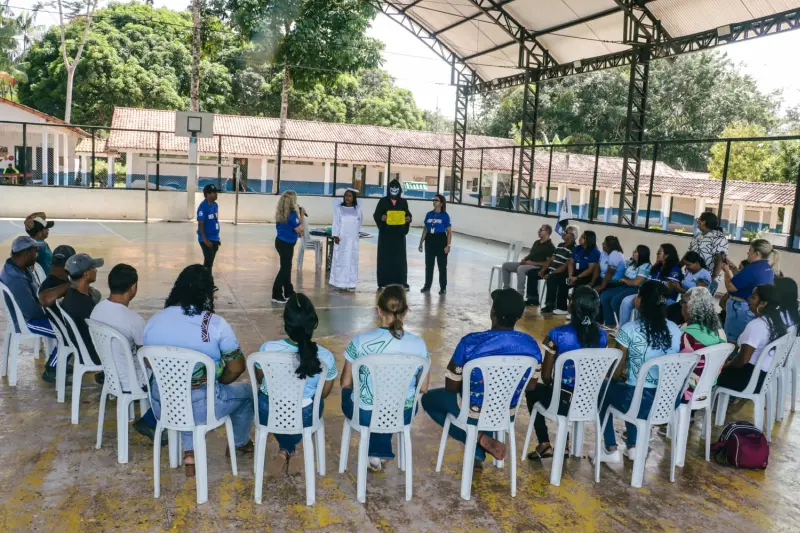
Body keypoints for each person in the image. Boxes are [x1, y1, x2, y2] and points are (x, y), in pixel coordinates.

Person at [144, 264, 254, 477]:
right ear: (207, 293)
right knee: (248, 394)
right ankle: (239, 443)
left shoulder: (154, 321)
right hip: (202, 407)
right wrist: (218, 380)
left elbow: (149, 362)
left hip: (162, 404)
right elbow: (237, 367)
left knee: (180, 390)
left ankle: (189, 451)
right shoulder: (214, 324)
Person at [422, 288, 542, 468]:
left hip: (472, 408)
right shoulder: (531, 345)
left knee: (428, 399)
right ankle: (481, 438)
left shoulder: (471, 342)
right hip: (504, 409)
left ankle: (477, 440)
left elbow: (451, 387)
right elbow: (531, 386)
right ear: (519, 317)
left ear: (492, 312)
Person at [341, 285, 429, 471]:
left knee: (355, 394)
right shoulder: (418, 344)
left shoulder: (360, 340)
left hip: (365, 413)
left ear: (379, 310)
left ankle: (375, 452)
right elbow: (423, 388)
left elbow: (345, 382)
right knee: (395, 398)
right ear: (406, 311)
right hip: (402, 413)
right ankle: (378, 451)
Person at [596, 280, 682, 463]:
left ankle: (610, 448)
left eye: (638, 294)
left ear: (642, 301)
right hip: (667, 401)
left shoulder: (630, 329)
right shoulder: (675, 329)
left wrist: (613, 374)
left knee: (603, 390)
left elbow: (616, 372)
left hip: (639, 403)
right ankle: (633, 447)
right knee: (632, 385)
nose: (635, 297)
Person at [255, 293, 337, 469]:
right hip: (304, 416)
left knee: (263, 396)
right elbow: (323, 393)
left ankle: (285, 451)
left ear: (286, 323)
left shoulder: (267, 349)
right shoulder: (325, 357)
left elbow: (260, 379)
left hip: (269, 412)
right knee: (316, 402)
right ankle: (289, 450)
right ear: (314, 323)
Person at [525, 286, 607, 460]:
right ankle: (564, 445)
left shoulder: (558, 334)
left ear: (572, 306)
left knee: (531, 390)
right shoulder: (602, 336)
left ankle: (544, 443)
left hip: (564, 399)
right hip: (590, 399)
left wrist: (551, 386)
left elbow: (546, 376)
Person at [89, 264, 159, 439]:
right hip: (133, 380)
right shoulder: (133, 320)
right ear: (133, 287)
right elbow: (148, 360)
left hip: (112, 375)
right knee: (171, 376)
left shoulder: (97, 309)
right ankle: (153, 421)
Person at [0, 236, 59, 382]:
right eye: (35, 251)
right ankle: (52, 368)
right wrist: (52, 311)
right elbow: (32, 311)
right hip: (29, 321)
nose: (37, 255)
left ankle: (60, 359)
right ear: (27, 254)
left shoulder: (16, 268)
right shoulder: (16, 279)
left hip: (29, 315)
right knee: (69, 332)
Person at [716, 285, 786, 395]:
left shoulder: (757, 325)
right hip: (764, 377)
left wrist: (724, 366)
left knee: (707, 372)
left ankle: (698, 405)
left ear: (763, 303)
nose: (748, 299)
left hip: (748, 380)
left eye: (753, 297)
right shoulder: (776, 322)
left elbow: (742, 361)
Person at [721, 239, 778, 342]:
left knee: (732, 340)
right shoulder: (767, 268)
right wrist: (734, 270)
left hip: (741, 308)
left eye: (750, 250)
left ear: (757, 253)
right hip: (752, 308)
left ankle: (730, 357)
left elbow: (730, 286)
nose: (748, 253)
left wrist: (726, 271)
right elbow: (747, 282)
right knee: (743, 339)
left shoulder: (752, 268)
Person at [678, 287, 726, 402]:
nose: (681, 306)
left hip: (686, 391)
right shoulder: (719, 331)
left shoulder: (686, 334)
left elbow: (676, 366)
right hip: (707, 389)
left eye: (683, 302)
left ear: (691, 307)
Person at [617, 243, 682, 328]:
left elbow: (668, 290)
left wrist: (646, 297)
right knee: (626, 301)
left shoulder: (674, 269)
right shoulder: (656, 267)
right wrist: (640, 295)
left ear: (667, 255)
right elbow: (647, 284)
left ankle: (639, 330)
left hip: (665, 298)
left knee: (642, 303)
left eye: (659, 253)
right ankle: (623, 329)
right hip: (648, 295)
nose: (656, 255)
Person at [61, 253, 104, 369]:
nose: (96, 270)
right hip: (93, 353)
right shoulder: (81, 303)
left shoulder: (73, 294)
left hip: (85, 347)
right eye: (93, 268)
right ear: (86, 273)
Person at [544, 230, 600, 316]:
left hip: (586, 274)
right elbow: (570, 262)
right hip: (574, 272)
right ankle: (557, 306)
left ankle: (575, 311)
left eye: (582, 237)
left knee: (579, 286)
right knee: (555, 278)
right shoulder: (578, 248)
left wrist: (577, 277)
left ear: (588, 239)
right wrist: (570, 275)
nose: (580, 238)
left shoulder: (594, 252)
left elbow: (590, 269)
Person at [373, 179, 412, 290]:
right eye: (392, 188)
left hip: (399, 236)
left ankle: (401, 282)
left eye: (396, 188)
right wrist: (381, 218)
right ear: (389, 189)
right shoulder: (383, 201)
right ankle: (384, 282)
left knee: (399, 259)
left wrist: (408, 219)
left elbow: (407, 214)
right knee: (385, 259)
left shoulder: (403, 202)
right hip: (386, 235)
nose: (394, 190)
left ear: (399, 189)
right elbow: (376, 215)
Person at [599, 245, 650, 329]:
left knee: (615, 301)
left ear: (642, 254)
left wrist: (625, 280)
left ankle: (623, 326)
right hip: (624, 286)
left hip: (635, 289)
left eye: (636, 251)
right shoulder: (633, 263)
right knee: (605, 296)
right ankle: (610, 323)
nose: (633, 252)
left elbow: (637, 282)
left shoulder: (645, 266)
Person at [500, 224, 555, 298]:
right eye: (539, 230)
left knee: (521, 269)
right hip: (528, 263)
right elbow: (531, 254)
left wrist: (533, 263)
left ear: (547, 232)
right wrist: (524, 259)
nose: (538, 232)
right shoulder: (537, 242)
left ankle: (520, 294)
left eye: (541, 230)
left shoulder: (550, 247)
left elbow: (548, 263)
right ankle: (506, 289)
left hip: (537, 267)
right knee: (506, 266)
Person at [272, 190, 304, 304]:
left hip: (281, 242)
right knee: (285, 269)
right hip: (286, 244)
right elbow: (300, 230)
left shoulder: (281, 213)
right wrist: (301, 215)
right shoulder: (292, 215)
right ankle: (276, 294)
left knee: (287, 267)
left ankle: (288, 291)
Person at [538, 225, 578, 312]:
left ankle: (550, 304)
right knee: (533, 272)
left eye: (566, 232)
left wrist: (551, 273)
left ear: (571, 236)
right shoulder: (560, 245)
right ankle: (532, 298)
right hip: (552, 269)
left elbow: (564, 266)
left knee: (552, 278)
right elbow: (551, 260)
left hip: (561, 272)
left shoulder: (574, 248)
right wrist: (543, 270)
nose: (563, 233)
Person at [330, 189, 363, 291]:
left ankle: (351, 283)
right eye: (346, 195)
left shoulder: (357, 209)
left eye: (350, 196)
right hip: (341, 240)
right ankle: (340, 282)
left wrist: (356, 236)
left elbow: (359, 223)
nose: (348, 197)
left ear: (354, 198)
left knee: (352, 261)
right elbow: (335, 223)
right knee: (341, 260)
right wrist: (336, 235)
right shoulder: (339, 209)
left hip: (353, 241)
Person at [419, 194, 453, 294]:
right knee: (429, 265)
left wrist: (448, 245)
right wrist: (421, 242)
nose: (434, 202)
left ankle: (443, 287)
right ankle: (427, 286)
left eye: (436, 200)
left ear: (441, 203)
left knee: (442, 266)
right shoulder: (428, 214)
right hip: (430, 240)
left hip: (441, 240)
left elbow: (449, 232)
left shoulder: (445, 216)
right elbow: (425, 230)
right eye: (433, 200)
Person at [666, 251, 711, 324]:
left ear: (696, 263)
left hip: (695, 306)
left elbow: (698, 294)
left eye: (688, 265)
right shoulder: (688, 271)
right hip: (684, 303)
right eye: (685, 265)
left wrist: (680, 289)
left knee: (672, 318)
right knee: (667, 312)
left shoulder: (704, 274)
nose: (686, 267)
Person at [688, 212, 728, 295]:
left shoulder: (718, 237)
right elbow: (690, 253)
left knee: (701, 302)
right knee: (688, 300)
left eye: (698, 219)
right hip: (693, 275)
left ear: (704, 222)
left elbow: (720, 259)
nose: (697, 221)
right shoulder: (698, 235)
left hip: (708, 278)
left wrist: (712, 278)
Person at [197, 184, 221, 280]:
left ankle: (205, 281)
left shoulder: (215, 205)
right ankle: (206, 282)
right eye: (214, 192)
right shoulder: (202, 208)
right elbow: (201, 224)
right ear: (207, 194)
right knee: (208, 261)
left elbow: (215, 221)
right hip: (206, 238)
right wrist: (205, 240)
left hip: (214, 238)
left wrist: (217, 237)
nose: (216, 194)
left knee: (209, 261)